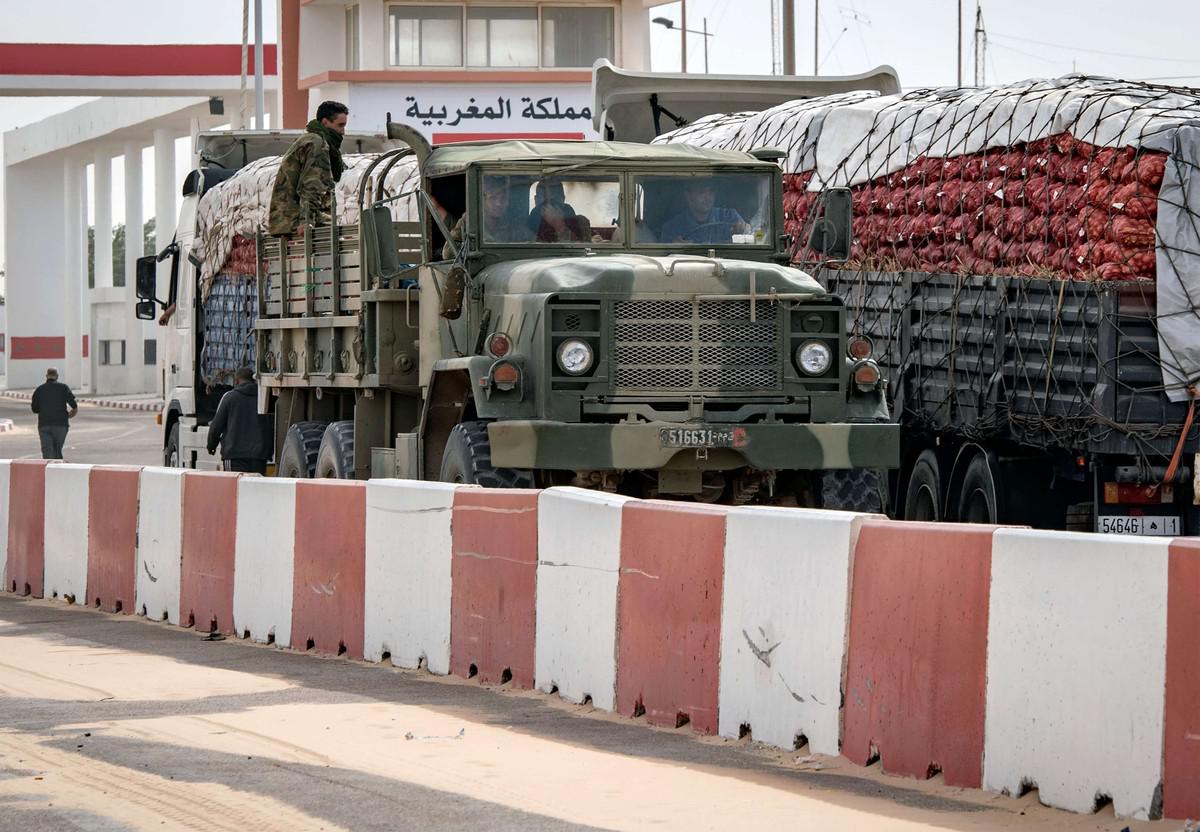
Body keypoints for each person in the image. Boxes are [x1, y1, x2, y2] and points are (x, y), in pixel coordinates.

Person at [267, 100, 349, 237]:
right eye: (340, 125)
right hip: (297, 223)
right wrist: (306, 221)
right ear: (325, 123)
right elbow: (312, 185)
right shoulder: (317, 144)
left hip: (288, 221)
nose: (343, 131)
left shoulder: (310, 139)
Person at [206, 367, 270, 474]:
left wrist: (211, 445)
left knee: (234, 488)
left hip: (234, 455)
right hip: (259, 456)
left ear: (236, 381)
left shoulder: (229, 397)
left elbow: (216, 426)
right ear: (253, 380)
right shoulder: (263, 398)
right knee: (257, 489)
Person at [660, 180, 750, 244]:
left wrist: (743, 231)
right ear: (688, 196)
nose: (708, 197)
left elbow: (750, 237)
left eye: (711, 191)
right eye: (702, 192)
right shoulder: (672, 228)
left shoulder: (729, 217)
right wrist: (675, 248)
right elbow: (664, 258)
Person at [31, 368, 77, 460]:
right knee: (57, 450)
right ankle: (57, 470)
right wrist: (73, 412)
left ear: (46, 376)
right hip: (60, 425)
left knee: (47, 453)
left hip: (44, 425)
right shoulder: (63, 387)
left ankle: (49, 470)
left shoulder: (39, 390)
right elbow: (73, 404)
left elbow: (34, 409)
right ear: (57, 376)